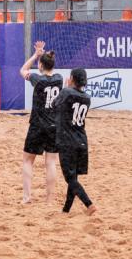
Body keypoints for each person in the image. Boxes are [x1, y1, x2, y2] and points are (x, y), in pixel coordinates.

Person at [19, 40, 62, 204]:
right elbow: (49, 69)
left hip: (37, 125)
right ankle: (49, 200)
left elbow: (23, 70)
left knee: (27, 160)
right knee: (51, 163)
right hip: (54, 126)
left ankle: (27, 197)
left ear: (41, 65)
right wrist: (42, 56)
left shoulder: (37, 79)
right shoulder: (59, 78)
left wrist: (35, 55)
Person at [53, 67, 96, 214]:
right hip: (81, 140)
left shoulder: (66, 92)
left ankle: (89, 204)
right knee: (74, 178)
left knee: (70, 179)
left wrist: (65, 88)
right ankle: (66, 210)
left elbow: (54, 105)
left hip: (67, 141)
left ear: (71, 78)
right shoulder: (87, 97)